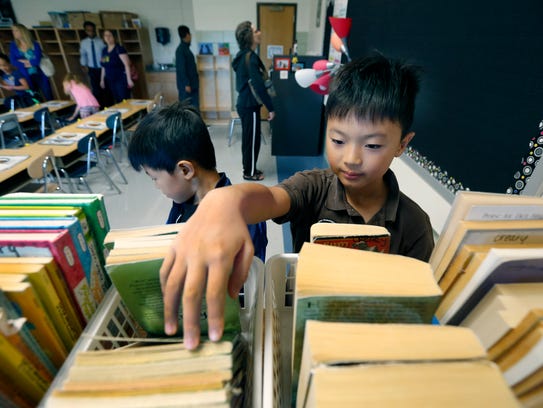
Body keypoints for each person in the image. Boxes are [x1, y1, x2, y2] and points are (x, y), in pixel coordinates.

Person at [159, 53, 435, 349]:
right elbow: (270, 198)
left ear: (402, 144)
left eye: (372, 145)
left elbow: (414, 309)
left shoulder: (414, 224)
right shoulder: (313, 187)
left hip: (373, 341)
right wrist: (226, 200)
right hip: (302, 331)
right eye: (338, 141)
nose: (351, 159)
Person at [127, 101, 267, 262]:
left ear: (185, 170)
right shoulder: (185, 201)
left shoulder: (238, 219)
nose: (156, 185)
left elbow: (246, 281)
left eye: (154, 178)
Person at [232, 21, 275, 181]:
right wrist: (271, 108)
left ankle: (249, 169)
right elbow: (259, 86)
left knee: (250, 139)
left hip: (245, 104)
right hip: (249, 105)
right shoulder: (250, 57)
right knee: (252, 140)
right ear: (250, 36)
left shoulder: (244, 56)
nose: (259, 32)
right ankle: (249, 172)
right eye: (256, 30)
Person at [9, 23, 53, 101]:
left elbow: (36, 61)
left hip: (39, 73)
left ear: (22, 31)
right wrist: (29, 62)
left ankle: (54, 111)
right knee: (34, 96)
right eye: (13, 31)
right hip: (26, 75)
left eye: (16, 30)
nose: (13, 33)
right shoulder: (13, 45)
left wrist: (24, 62)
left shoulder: (35, 44)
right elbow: (13, 61)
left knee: (47, 93)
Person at [100, 29, 133, 103]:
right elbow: (103, 66)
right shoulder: (104, 50)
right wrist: (102, 79)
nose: (107, 37)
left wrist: (129, 79)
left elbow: (127, 65)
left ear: (114, 37)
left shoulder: (119, 49)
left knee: (123, 99)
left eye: (109, 35)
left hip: (120, 78)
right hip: (110, 79)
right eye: (105, 35)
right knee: (117, 99)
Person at [79, 20, 106, 107]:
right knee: (96, 89)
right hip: (91, 68)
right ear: (85, 31)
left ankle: (108, 105)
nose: (91, 32)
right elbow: (83, 55)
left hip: (102, 68)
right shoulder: (84, 43)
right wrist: (83, 65)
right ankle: (99, 107)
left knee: (105, 88)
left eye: (92, 30)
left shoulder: (101, 41)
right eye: (88, 30)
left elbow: (105, 54)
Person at [175, 25, 199, 110]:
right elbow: (181, 69)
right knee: (187, 109)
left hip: (192, 84)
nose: (191, 37)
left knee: (194, 108)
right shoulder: (181, 50)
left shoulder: (185, 49)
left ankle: (196, 122)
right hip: (187, 87)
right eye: (190, 34)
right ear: (187, 35)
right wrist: (186, 84)